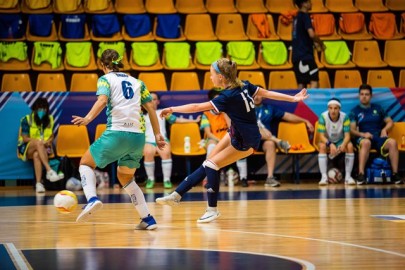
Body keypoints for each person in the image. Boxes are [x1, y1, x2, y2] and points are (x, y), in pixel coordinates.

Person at [155, 58, 309, 223]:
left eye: (211, 74)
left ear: (221, 76)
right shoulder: (243, 84)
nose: (210, 77)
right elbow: (267, 93)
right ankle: (176, 195)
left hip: (245, 141)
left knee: (212, 165)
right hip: (237, 132)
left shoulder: (227, 96)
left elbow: (196, 108)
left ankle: (212, 210)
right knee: (208, 162)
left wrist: (172, 109)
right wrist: (292, 98)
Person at [71, 49, 166, 230]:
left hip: (117, 133)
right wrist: (157, 135)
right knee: (125, 178)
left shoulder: (105, 79)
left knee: (85, 163)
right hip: (138, 137)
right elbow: (151, 109)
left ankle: (91, 199)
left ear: (102, 65)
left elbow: (101, 100)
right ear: (120, 63)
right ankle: (147, 218)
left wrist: (87, 119)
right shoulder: (138, 82)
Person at [254, 94, 314, 187]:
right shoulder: (246, 108)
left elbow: (288, 116)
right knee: (256, 130)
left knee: (270, 144)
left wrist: (305, 120)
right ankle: (278, 141)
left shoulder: (269, 108)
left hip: (264, 141)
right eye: (253, 95)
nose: (256, 97)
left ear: (264, 96)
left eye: (259, 95)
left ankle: (270, 178)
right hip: (249, 140)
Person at [143, 92, 201, 189]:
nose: (151, 101)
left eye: (154, 99)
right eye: (149, 99)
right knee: (148, 152)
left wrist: (194, 120)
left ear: (158, 101)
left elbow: (177, 119)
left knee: (165, 153)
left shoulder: (163, 112)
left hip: (163, 140)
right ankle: (150, 179)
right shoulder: (142, 115)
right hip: (148, 141)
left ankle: (166, 179)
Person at [349, 84, 403, 185]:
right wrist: (363, 134)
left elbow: (390, 122)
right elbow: (351, 130)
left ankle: (395, 174)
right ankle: (361, 174)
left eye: (367, 94)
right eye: (362, 94)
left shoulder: (378, 108)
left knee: (393, 142)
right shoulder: (354, 111)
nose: (364, 96)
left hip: (378, 137)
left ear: (371, 96)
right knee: (365, 143)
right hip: (362, 138)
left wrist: (384, 129)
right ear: (359, 95)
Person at [200, 88, 247, 187]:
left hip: (227, 139)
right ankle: (207, 179)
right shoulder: (206, 114)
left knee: (241, 147)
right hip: (213, 139)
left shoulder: (227, 112)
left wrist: (225, 112)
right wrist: (221, 141)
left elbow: (232, 127)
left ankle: (243, 178)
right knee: (212, 148)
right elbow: (208, 133)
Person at [17, 97, 63, 193]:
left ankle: (38, 184)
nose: (42, 110)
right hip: (26, 148)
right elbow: (25, 138)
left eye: (44, 108)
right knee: (38, 143)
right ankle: (49, 171)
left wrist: (48, 141)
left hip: (42, 148)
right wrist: (39, 141)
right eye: (39, 108)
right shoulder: (27, 119)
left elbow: (51, 136)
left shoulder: (50, 119)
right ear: (35, 109)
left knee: (36, 155)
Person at [317, 98, 355, 186]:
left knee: (349, 146)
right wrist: (330, 144)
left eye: (335, 108)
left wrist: (343, 144)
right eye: (330, 108)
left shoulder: (345, 117)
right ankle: (324, 177)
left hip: (340, 140)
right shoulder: (323, 117)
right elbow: (321, 136)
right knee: (322, 147)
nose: (333, 111)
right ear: (328, 108)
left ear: (339, 109)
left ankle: (348, 177)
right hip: (327, 140)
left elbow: (347, 136)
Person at [292, 0, 325, 89]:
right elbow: (311, 34)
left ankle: (301, 103)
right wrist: (321, 43)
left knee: (301, 83)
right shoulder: (305, 16)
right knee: (314, 80)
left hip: (296, 56)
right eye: (309, 2)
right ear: (303, 3)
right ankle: (313, 103)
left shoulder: (296, 18)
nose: (311, 4)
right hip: (305, 56)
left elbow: (302, 36)